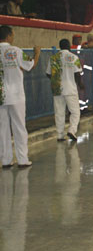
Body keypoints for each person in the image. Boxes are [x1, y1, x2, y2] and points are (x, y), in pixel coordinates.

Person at [0, 25, 41, 168]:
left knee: (2, 128)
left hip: (1, 96)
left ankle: (6, 161)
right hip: (16, 95)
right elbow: (30, 65)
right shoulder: (16, 51)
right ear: (9, 35)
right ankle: (22, 160)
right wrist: (37, 53)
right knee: (19, 127)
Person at [46, 39, 84, 142]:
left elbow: (48, 74)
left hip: (57, 88)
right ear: (69, 46)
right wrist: (80, 85)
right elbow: (77, 73)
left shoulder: (53, 58)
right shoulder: (74, 57)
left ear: (60, 46)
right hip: (70, 88)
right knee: (75, 112)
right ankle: (72, 130)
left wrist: (57, 80)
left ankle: (60, 135)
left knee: (59, 112)